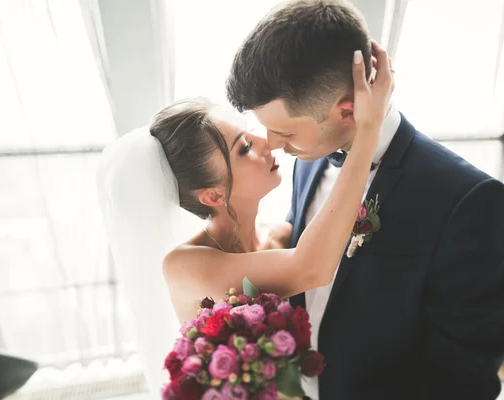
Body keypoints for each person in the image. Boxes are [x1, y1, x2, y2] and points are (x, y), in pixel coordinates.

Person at [225, 1, 504, 399]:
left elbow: (466, 373)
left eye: (285, 133)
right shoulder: (308, 161)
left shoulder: (466, 199)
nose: (273, 146)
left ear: (348, 111)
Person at [96, 43, 393, 395]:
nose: (266, 141)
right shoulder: (185, 265)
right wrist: (368, 129)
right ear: (214, 196)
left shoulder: (279, 238)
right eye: (244, 148)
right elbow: (310, 268)